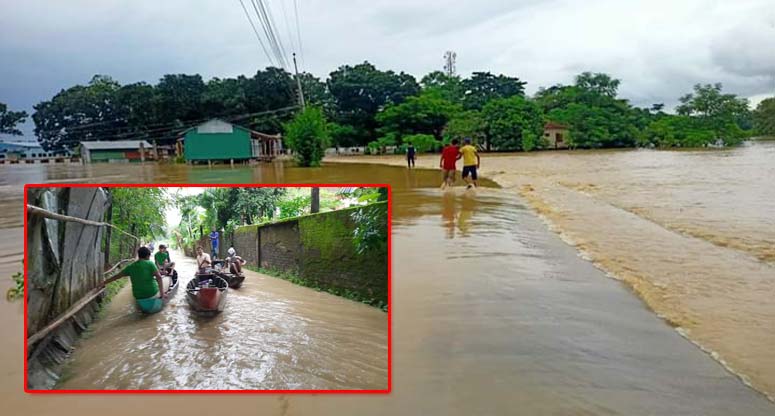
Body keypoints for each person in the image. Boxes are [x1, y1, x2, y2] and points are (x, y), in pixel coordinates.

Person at [102, 246, 167, 314]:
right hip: (152, 293)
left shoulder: (131, 267)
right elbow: (159, 277)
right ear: (148, 256)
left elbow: (117, 276)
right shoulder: (150, 263)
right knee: (161, 286)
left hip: (139, 296)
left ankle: (141, 307)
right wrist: (162, 294)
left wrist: (104, 282)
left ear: (139, 255)